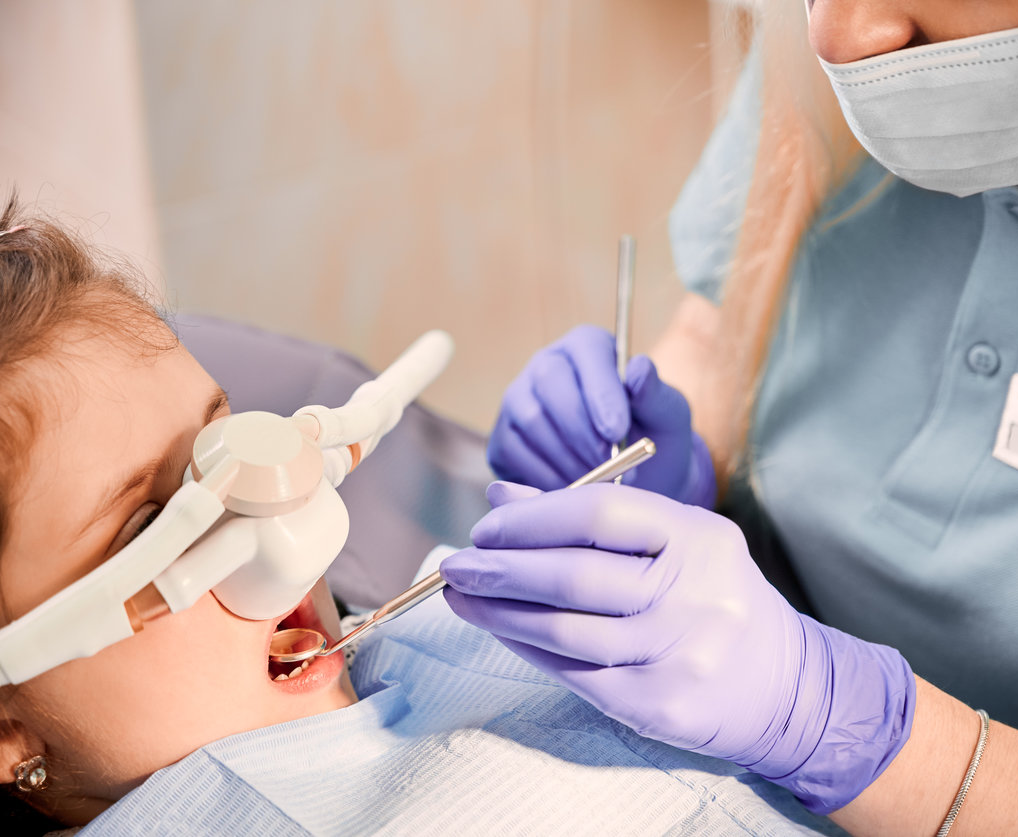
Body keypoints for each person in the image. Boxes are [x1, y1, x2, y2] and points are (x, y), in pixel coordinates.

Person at [466, 0, 1018, 833]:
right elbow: (718, 327)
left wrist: (860, 733)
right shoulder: (846, 65)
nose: (837, 38)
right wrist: (667, 455)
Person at [0, 198, 826, 836]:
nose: (276, 522)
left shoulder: (434, 625)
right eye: (152, 526)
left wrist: (651, 530)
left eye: (229, 446)